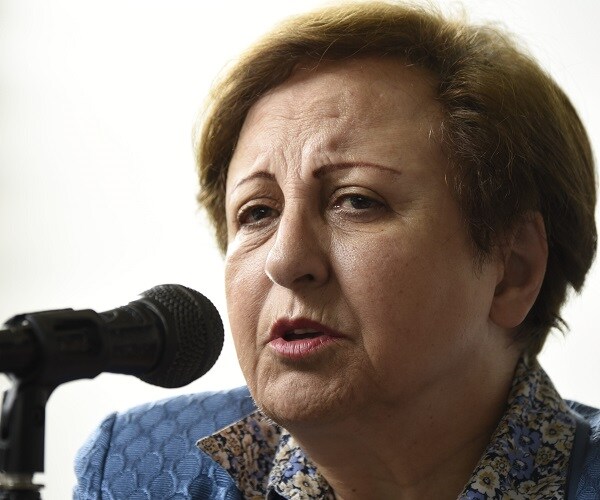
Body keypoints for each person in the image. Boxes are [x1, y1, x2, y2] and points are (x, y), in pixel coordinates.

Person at [74, 2, 599, 498]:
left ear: (513, 270)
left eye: (356, 201)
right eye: (257, 212)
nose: (284, 261)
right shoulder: (137, 472)